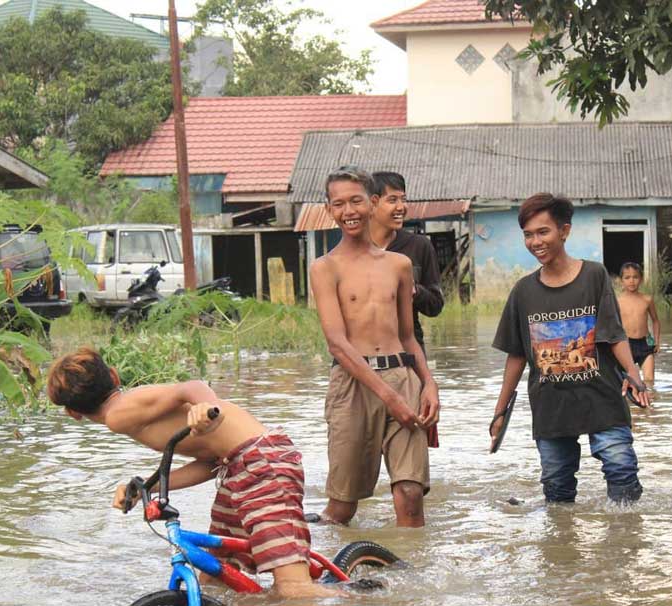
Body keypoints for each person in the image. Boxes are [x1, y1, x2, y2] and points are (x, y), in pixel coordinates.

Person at [45, 347, 334, 599]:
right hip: (239, 466)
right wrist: (148, 488)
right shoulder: (128, 410)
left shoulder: (118, 414)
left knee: (293, 590)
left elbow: (191, 387)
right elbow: (211, 463)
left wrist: (207, 406)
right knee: (214, 576)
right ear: (114, 374)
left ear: (72, 412)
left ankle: (366, 597)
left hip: (261, 463)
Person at [488, 193, 652, 505]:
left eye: (543, 232)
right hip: (552, 408)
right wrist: (499, 412)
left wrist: (635, 376)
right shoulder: (523, 292)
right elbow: (517, 355)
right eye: (528, 234)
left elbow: (614, 335)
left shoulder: (594, 275)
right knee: (557, 491)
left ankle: (626, 545)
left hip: (602, 398)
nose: (535, 241)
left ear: (564, 231)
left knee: (623, 474)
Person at [309, 166, 440, 527]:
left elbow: (408, 334)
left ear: (372, 203)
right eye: (339, 204)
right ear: (329, 210)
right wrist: (390, 398)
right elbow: (337, 344)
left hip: (402, 377)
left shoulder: (400, 265)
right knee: (341, 508)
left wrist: (428, 383)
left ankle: (415, 578)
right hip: (353, 386)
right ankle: (336, 576)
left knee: (411, 496)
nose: (348, 211)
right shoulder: (324, 268)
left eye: (356, 200)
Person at [367, 171, 445, 353]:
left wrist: (414, 290)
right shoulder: (354, 250)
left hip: (409, 354)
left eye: (404, 199)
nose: (401, 207)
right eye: (392, 200)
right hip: (364, 355)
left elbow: (435, 306)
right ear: (373, 203)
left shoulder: (419, 246)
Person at [616, 262, 661, 383]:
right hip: (625, 344)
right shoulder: (617, 301)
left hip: (645, 343)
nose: (632, 281)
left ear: (641, 279)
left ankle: (650, 400)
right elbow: (611, 324)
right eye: (627, 277)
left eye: (635, 277)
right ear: (621, 281)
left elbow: (656, 321)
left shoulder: (647, 299)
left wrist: (656, 341)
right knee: (625, 381)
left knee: (650, 380)